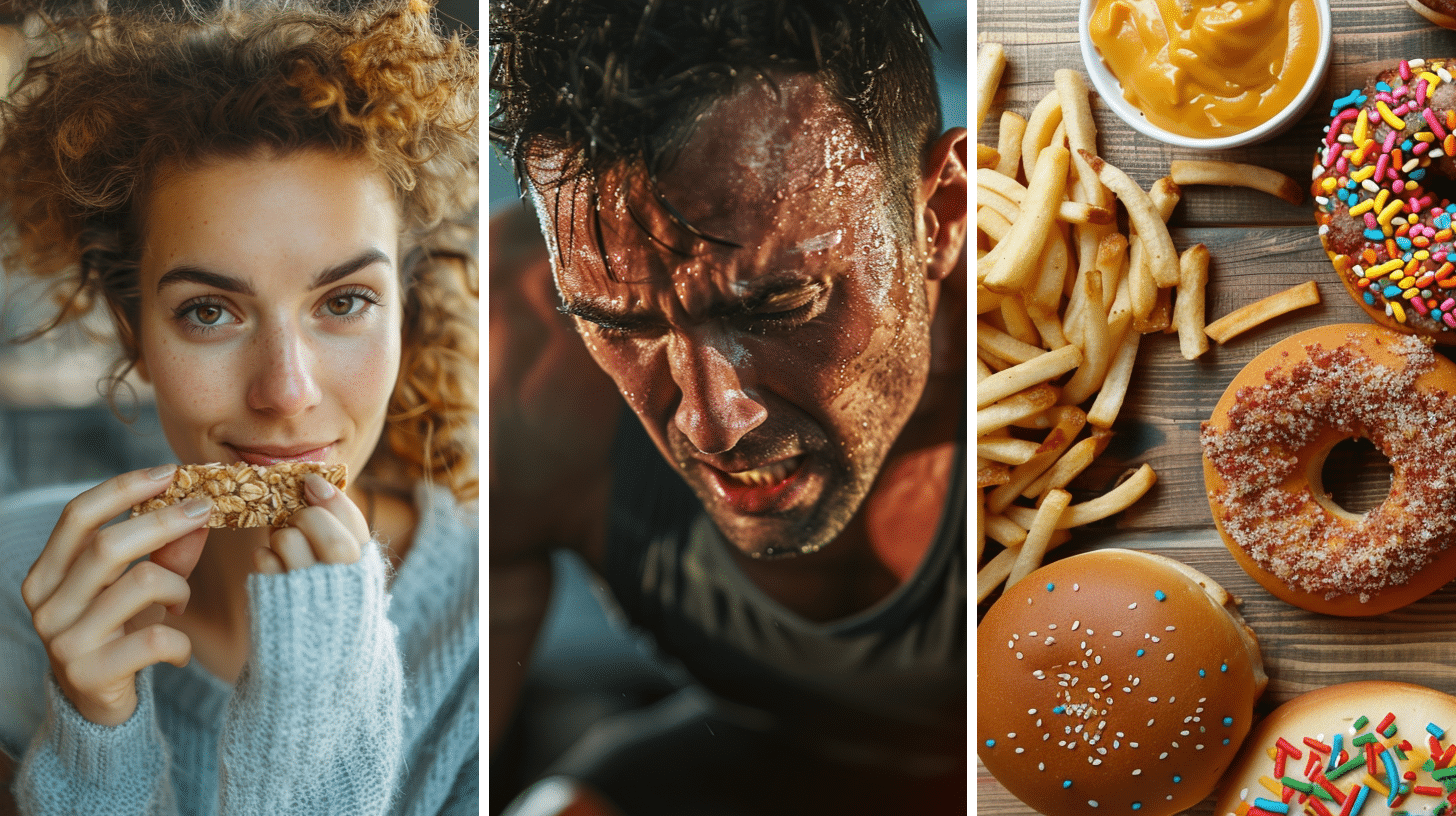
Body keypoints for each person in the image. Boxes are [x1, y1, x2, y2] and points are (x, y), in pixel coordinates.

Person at [489, 1, 968, 814]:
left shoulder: (1055, 353)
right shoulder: (514, 364)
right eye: (619, 325)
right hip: (757, 760)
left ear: (941, 215)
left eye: (778, 307)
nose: (712, 424)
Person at [0, 1, 479, 813]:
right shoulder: (15, 584)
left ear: (409, 308)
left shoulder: (477, 630)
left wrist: (317, 716)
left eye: (346, 301)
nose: (285, 392)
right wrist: (91, 742)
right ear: (133, 331)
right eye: (210, 312)